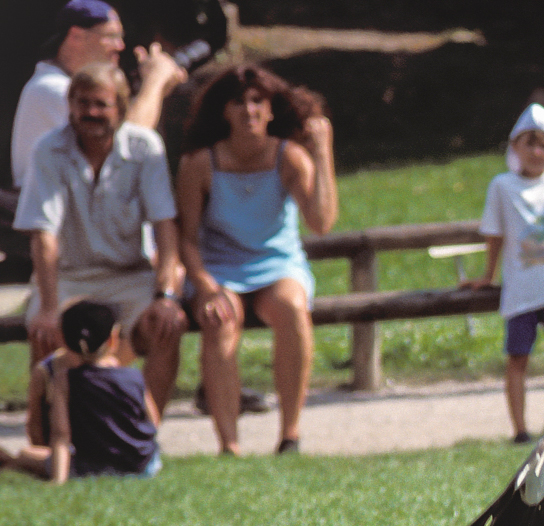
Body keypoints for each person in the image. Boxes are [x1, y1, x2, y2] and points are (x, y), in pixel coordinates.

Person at [177, 65, 337, 456]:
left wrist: (322, 152)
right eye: (238, 103)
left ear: (270, 110)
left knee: (293, 309)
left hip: (276, 263)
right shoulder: (199, 163)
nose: (248, 110)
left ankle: (290, 435)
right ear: (224, 112)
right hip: (219, 269)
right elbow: (187, 239)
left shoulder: (289, 157)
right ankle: (229, 444)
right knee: (219, 322)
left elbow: (320, 223)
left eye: (257, 102)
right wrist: (206, 286)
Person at [13, 62, 185, 420]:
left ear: (120, 108)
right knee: (45, 332)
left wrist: (166, 296)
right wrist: (47, 308)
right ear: (70, 105)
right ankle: (47, 435)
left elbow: (165, 228)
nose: (90, 112)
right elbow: (44, 236)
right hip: (69, 276)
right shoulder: (49, 150)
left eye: (100, 104)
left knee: (168, 326)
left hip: (130, 274)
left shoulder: (144, 148)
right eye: (81, 102)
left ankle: (142, 435)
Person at [464, 103, 544, 445]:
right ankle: (519, 429)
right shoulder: (502, 186)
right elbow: (495, 235)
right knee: (517, 358)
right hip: (523, 290)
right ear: (514, 147)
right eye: (529, 144)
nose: (537, 152)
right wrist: (488, 275)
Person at [11, 0, 185, 190]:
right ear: (76, 36)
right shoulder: (51, 88)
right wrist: (154, 82)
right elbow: (126, 144)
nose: (120, 46)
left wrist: (156, 92)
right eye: (111, 36)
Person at [1, 300, 160, 483]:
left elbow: (61, 436)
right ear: (113, 339)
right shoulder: (133, 376)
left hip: (91, 466)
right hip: (143, 467)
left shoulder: (64, 379)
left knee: (25, 455)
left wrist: (58, 481)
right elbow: (153, 422)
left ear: (63, 340)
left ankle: (9, 463)